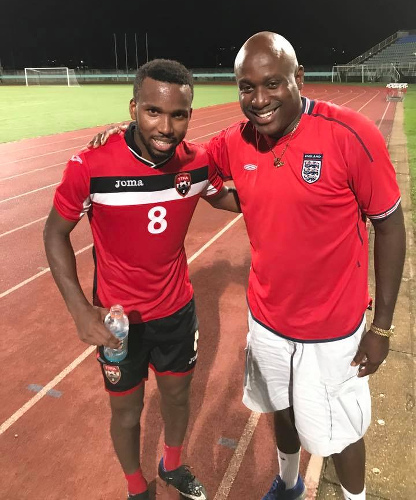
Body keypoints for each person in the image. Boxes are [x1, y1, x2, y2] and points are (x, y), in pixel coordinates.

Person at [90, 32, 406, 500]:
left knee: (340, 433)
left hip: (333, 327)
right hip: (268, 320)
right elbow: (183, 161)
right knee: (281, 409)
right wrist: (127, 136)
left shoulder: (350, 134)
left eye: (272, 84)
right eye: (246, 87)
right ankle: (290, 482)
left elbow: (391, 226)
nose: (258, 100)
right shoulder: (236, 141)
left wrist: (380, 328)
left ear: (298, 79)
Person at [43, 58, 241, 500]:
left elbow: (233, 198)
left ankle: (171, 465)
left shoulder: (197, 164)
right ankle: (137, 488)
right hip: (119, 323)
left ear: (191, 114)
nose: (166, 127)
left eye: (178, 115)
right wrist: (79, 311)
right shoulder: (90, 165)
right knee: (128, 413)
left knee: (176, 397)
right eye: (154, 111)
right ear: (134, 107)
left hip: (176, 311)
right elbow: (54, 233)